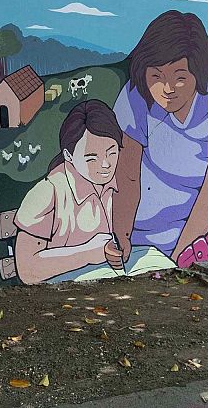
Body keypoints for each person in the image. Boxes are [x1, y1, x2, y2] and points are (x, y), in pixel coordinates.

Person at [112, 11, 208, 263]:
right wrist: (121, 237)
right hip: (147, 239)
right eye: (156, 77)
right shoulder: (134, 95)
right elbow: (127, 178)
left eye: (180, 77)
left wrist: (182, 256)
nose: (168, 89)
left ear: (198, 70)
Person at [13, 101, 174, 284]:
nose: (105, 165)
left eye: (111, 153)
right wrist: (91, 253)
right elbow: (27, 269)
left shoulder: (115, 186)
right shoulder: (48, 192)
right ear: (69, 156)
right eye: (92, 158)